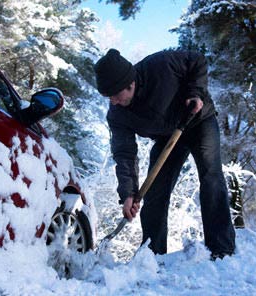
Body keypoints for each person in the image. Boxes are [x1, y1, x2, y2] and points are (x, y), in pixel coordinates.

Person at [94, 48, 236, 259]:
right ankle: (152, 256)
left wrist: (195, 93)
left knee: (211, 177)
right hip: (168, 139)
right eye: (108, 97)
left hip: (198, 121)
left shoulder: (160, 65)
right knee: (154, 193)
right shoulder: (117, 114)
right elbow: (124, 153)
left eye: (115, 95)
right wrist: (128, 193)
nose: (112, 101)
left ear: (129, 84)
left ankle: (221, 249)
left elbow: (196, 60)